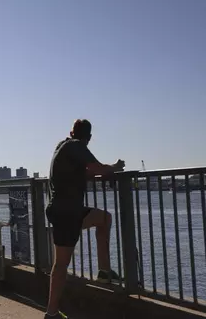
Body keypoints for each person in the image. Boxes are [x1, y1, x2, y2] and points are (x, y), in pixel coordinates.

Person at [44, 119, 125, 318]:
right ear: (88, 137)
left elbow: (85, 172)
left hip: (67, 210)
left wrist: (102, 172)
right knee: (61, 264)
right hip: (67, 212)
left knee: (104, 219)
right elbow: (96, 168)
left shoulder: (62, 147)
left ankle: (104, 271)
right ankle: (51, 312)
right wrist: (114, 168)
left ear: (71, 131)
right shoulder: (76, 146)